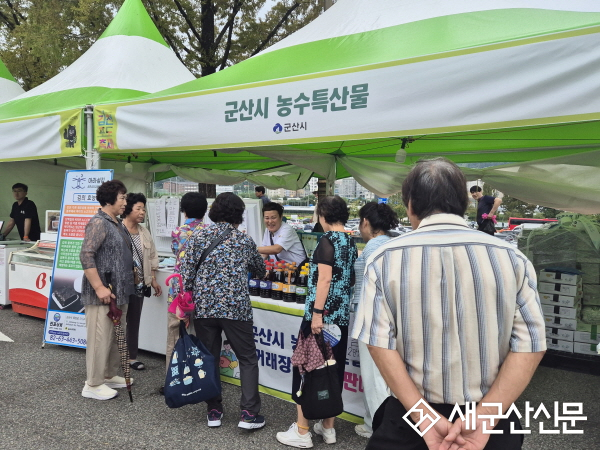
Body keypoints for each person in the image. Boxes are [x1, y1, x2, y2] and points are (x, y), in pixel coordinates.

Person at [352, 158, 546, 450]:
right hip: (492, 420)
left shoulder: (384, 260)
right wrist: (484, 419)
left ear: (410, 205)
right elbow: (531, 345)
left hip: (410, 418)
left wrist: (425, 418)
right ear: (465, 203)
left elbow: (379, 343)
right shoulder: (513, 259)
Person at [180, 193, 266, 430]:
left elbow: (186, 274)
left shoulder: (198, 236)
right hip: (235, 308)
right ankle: (248, 414)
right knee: (247, 359)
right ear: (239, 214)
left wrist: (186, 304)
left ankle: (214, 411)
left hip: (205, 308)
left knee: (210, 358)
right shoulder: (243, 240)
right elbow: (260, 269)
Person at [276, 195, 358, 448]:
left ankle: (302, 431)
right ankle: (328, 428)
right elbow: (349, 280)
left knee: (307, 369)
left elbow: (323, 280)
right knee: (332, 371)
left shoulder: (327, 241)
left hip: (319, 320)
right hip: (340, 320)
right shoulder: (350, 241)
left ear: (323, 216)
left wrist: (317, 314)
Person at [79, 180, 136, 401]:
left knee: (115, 336)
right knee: (100, 338)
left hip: (119, 290)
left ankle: (108, 375)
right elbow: (86, 255)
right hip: (102, 293)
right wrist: (99, 287)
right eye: (122, 197)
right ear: (109, 199)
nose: (125, 202)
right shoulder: (98, 222)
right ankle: (93, 384)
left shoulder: (115, 222)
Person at [350, 202, 399, 439]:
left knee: (373, 376)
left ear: (366, 222)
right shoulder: (393, 244)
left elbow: (372, 287)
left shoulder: (372, 248)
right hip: (392, 317)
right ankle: (379, 423)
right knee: (387, 376)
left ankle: (377, 426)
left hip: (372, 317)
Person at [166, 192, 208, 371]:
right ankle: (199, 377)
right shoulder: (208, 232)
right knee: (200, 335)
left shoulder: (177, 232)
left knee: (174, 334)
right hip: (201, 290)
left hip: (179, 290)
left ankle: (172, 377)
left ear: (183, 211)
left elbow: (176, 252)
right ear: (205, 211)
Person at [121, 193, 162, 371]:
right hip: (120, 284)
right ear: (127, 208)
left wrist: (152, 279)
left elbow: (152, 257)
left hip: (139, 284)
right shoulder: (117, 229)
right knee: (119, 320)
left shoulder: (144, 232)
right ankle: (115, 357)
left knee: (134, 320)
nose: (142, 212)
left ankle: (131, 357)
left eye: (143, 209)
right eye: (138, 208)